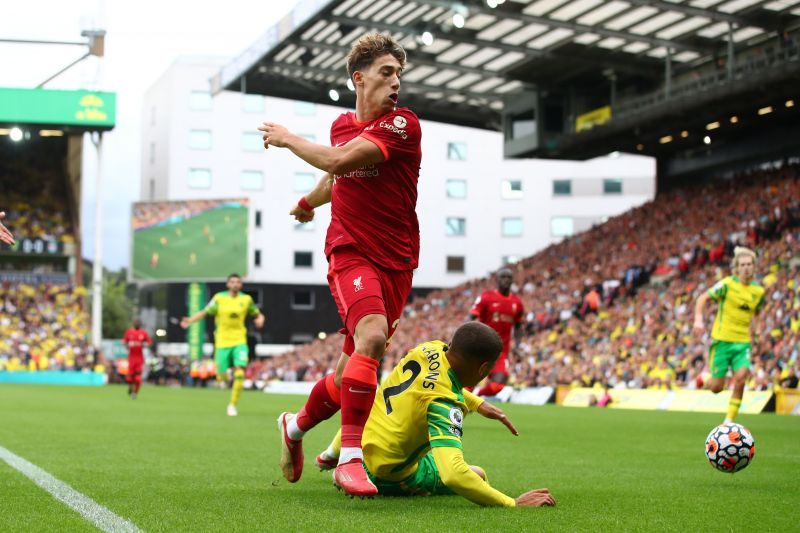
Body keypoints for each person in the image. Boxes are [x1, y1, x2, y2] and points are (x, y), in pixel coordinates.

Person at [262, 32, 421, 496]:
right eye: (386, 72)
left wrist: (288, 138)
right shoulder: (341, 125)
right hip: (350, 250)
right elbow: (337, 177)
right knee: (372, 335)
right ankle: (350, 460)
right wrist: (308, 202)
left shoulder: (403, 125)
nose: (396, 82)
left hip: (398, 260)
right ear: (359, 77)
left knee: (346, 374)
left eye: (398, 74)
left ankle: (293, 427)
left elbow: (338, 161)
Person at [283, 322, 555, 507]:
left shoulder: (429, 348)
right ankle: (359, 475)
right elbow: (455, 475)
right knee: (478, 474)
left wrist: (477, 404)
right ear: (483, 369)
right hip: (386, 472)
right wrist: (512, 502)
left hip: (358, 440)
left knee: (375, 408)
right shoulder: (444, 403)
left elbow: (431, 385)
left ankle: (332, 455)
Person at [693, 247, 765, 423]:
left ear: (754, 267)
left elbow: (756, 313)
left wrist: (757, 332)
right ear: (737, 267)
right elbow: (703, 298)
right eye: (743, 264)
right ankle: (706, 378)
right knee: (717, 387)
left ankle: (728, 422)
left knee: (741, 378)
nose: (746, 267)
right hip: (722, 341)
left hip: (742, 343)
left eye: (749, 264)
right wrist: (698, 319)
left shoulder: (758, 292)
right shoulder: (727, 284)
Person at [181, 273, 265, 416]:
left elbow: (257, 314)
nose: (235, 284)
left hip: (239, 341)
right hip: (222, 342)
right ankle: (225, 376)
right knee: (221, 376)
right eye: (232, 282)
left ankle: (232, 405)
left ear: (241, 285)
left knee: (240, 373)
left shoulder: (246, 299)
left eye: (238, 282)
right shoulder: (219, 298)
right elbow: (205, 312)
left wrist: (261, 319)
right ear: (228, 284)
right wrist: (190, 320)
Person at [468, 268, 524, 397]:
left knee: (498, 386)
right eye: (503, 277)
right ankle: (462, 401)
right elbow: (471, 318)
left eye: (509, 277)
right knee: (468, 383)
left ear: (512, 280)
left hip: (501, 352)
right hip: (482, 349)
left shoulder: (517, 303)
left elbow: (519, 326)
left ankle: (475, 396)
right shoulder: (486, 297)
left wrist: (518, 345)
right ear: (497, 280)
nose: (506, 280)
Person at [122, 319, 153, 399]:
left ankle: (135, 393)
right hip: (131, 357)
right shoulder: (129, 332)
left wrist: (144, 344)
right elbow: (124, 342)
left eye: (138, 323)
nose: (137, 324)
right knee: (129, 377)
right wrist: (127, 346)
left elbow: (149, 342)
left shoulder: (143, 333)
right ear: (133, 324)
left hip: (139, 358)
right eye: (136, 323)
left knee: (138, 378)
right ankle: (130, 386)